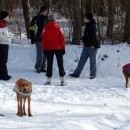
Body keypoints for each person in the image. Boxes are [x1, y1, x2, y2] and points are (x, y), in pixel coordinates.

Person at [69, 13, 100, 79]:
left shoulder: (93, 26)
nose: (84, 19)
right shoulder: (87, 25)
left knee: (92, 61)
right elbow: (87, 35)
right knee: (82, 60)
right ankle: (76, 73)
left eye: (85, 18)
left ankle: (93, 74)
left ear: (88, 19)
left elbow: (94, 37)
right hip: (86, 45)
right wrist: (82, 38)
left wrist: (93, 45)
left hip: (92, 47)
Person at [42, 15, 66, 86]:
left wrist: (44, 49)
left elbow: (43, 40)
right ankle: (62, 81)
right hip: (58, 48)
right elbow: (62, 39)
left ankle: (48, 81)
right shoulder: (58, 27)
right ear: (55, 20)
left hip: (49, 48)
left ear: (49, 20)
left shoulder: (45, 28)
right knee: (60, 64)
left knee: (49, 64)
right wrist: (63, 48)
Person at [30, 6, 49, 73]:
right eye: (45, 11)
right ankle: (38, 67)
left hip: (46, 39)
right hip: (38, 38)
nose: (46, 12)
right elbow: (32, 28)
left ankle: (43, 67)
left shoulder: (47, 19)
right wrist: (33, 37)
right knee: (40, 54)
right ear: (42, 11)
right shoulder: (36, 18)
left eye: (47, 11)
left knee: (45, 54)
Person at [0, 11, 11, 81]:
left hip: (5, 44)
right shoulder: (0, 25)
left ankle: (3, 74)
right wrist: (6, 39)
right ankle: (4, 75)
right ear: (4, 17)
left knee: (4, 60)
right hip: (2, 44)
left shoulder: (4, 24)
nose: (8, 18)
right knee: (2, 60)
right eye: (7, 16)